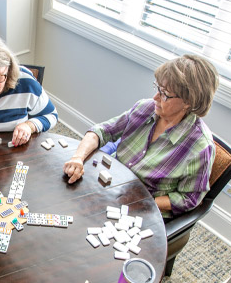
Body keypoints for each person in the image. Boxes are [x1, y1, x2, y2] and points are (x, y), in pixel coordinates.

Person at [63, 55, 218, 218]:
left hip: (143, 209)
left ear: (189, 102)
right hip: (110, 184)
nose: (155, 98)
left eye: (165, 94)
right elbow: (102, 131)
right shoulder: (145, 108)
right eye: (157, 88)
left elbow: (189, 199)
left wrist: (140, 201)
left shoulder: (200, 147)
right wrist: (78, 158)